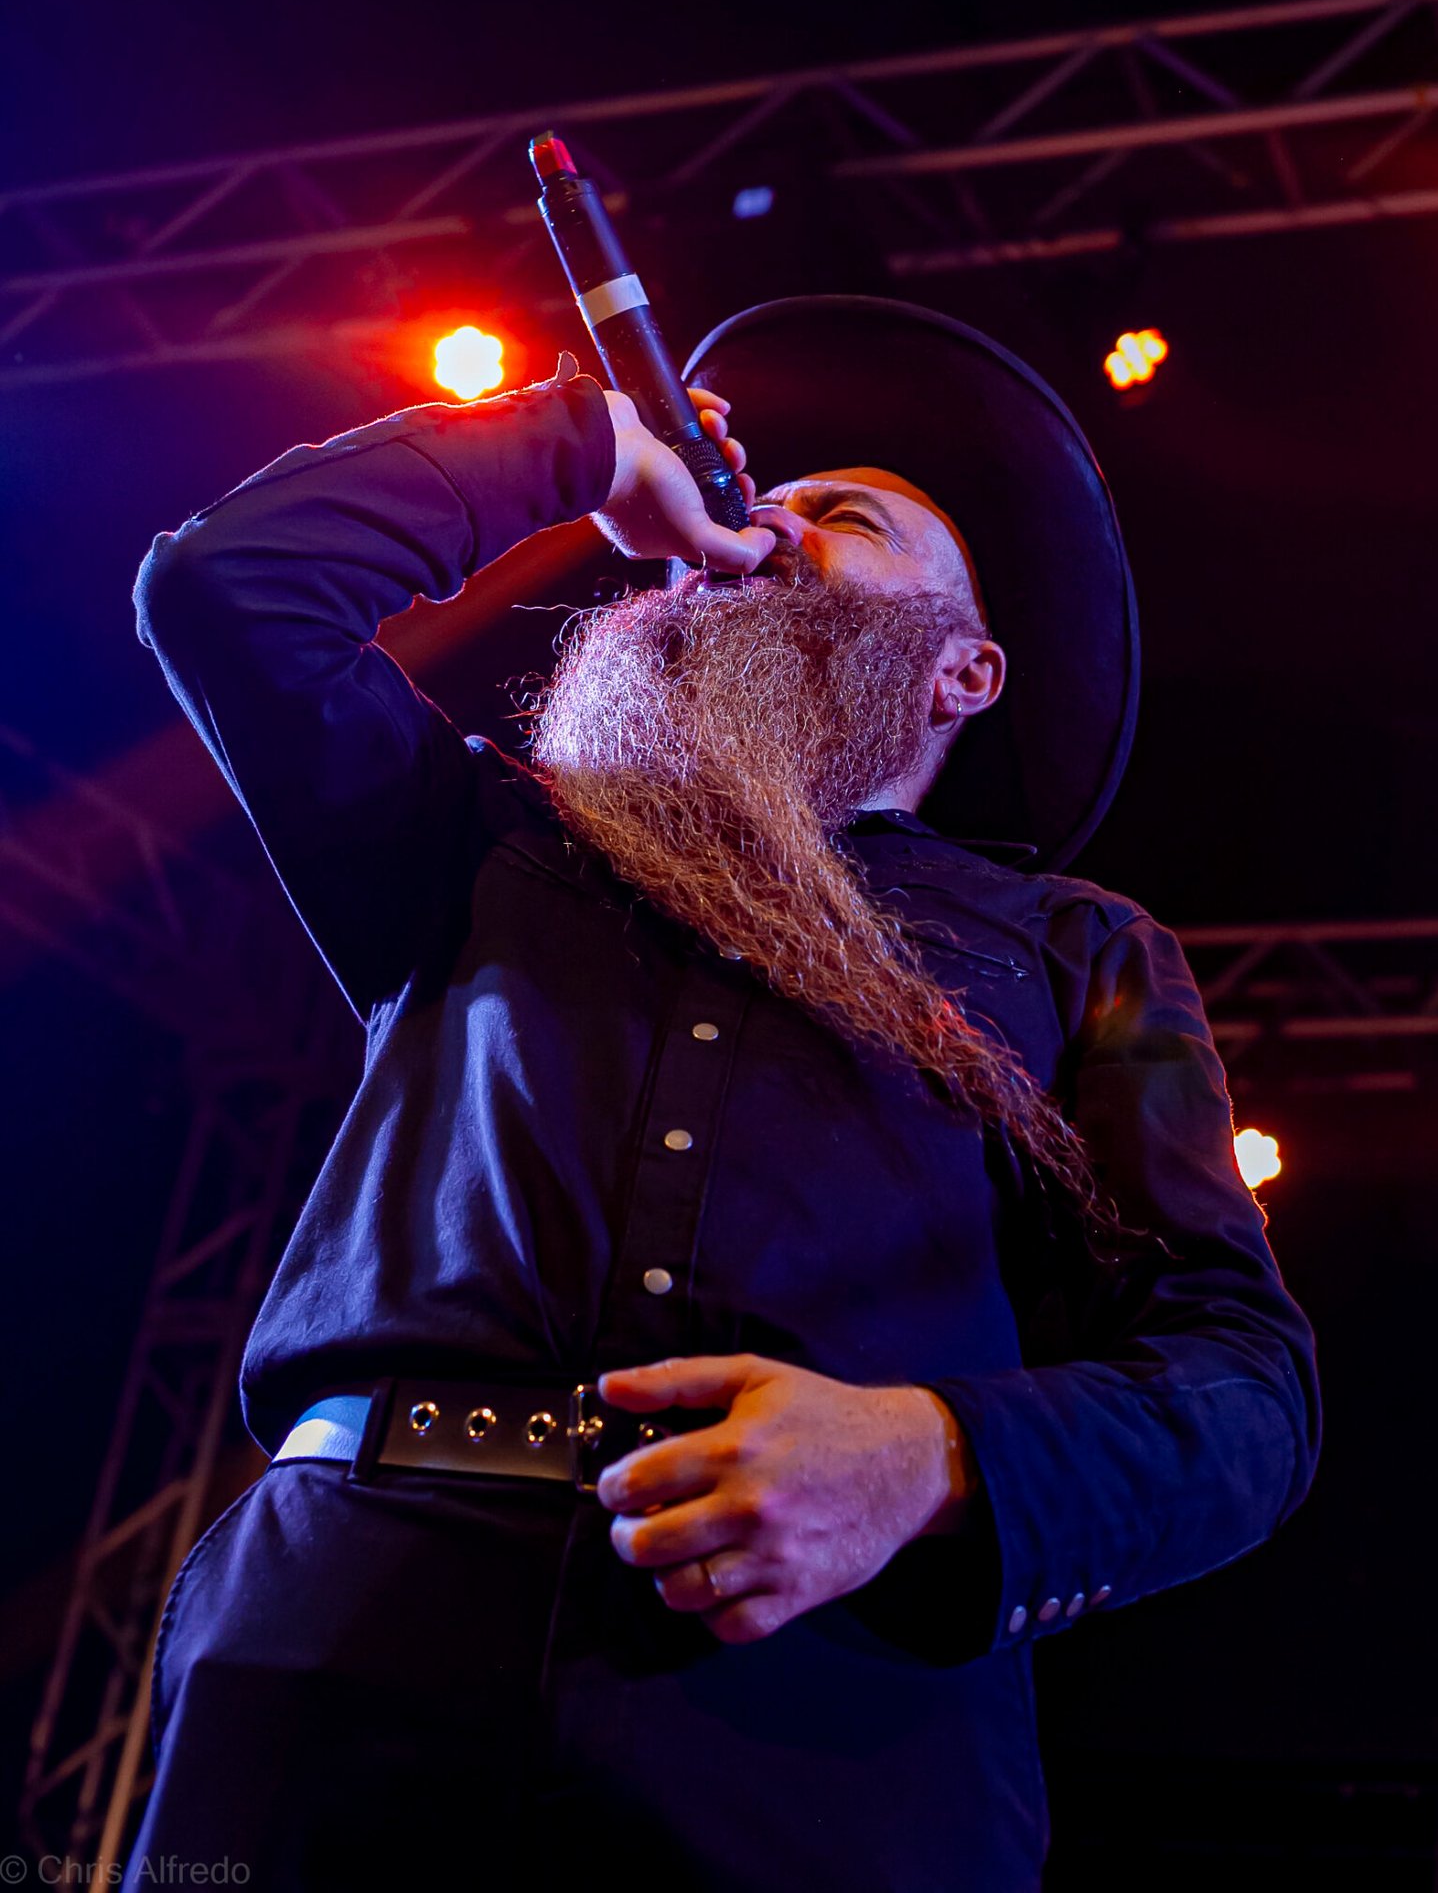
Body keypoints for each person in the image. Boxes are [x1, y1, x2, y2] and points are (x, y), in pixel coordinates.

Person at [131, 295, 1317, 1890]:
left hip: (820, 1736)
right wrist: (581, 445)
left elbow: (1248, 1388)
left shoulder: (1077, 951)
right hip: (335, 1655)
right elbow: (232, 584)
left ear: (963, 672)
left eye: (842, 519)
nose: (759, 526)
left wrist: (930, 1455)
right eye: (761, 501)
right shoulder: (480, 843)